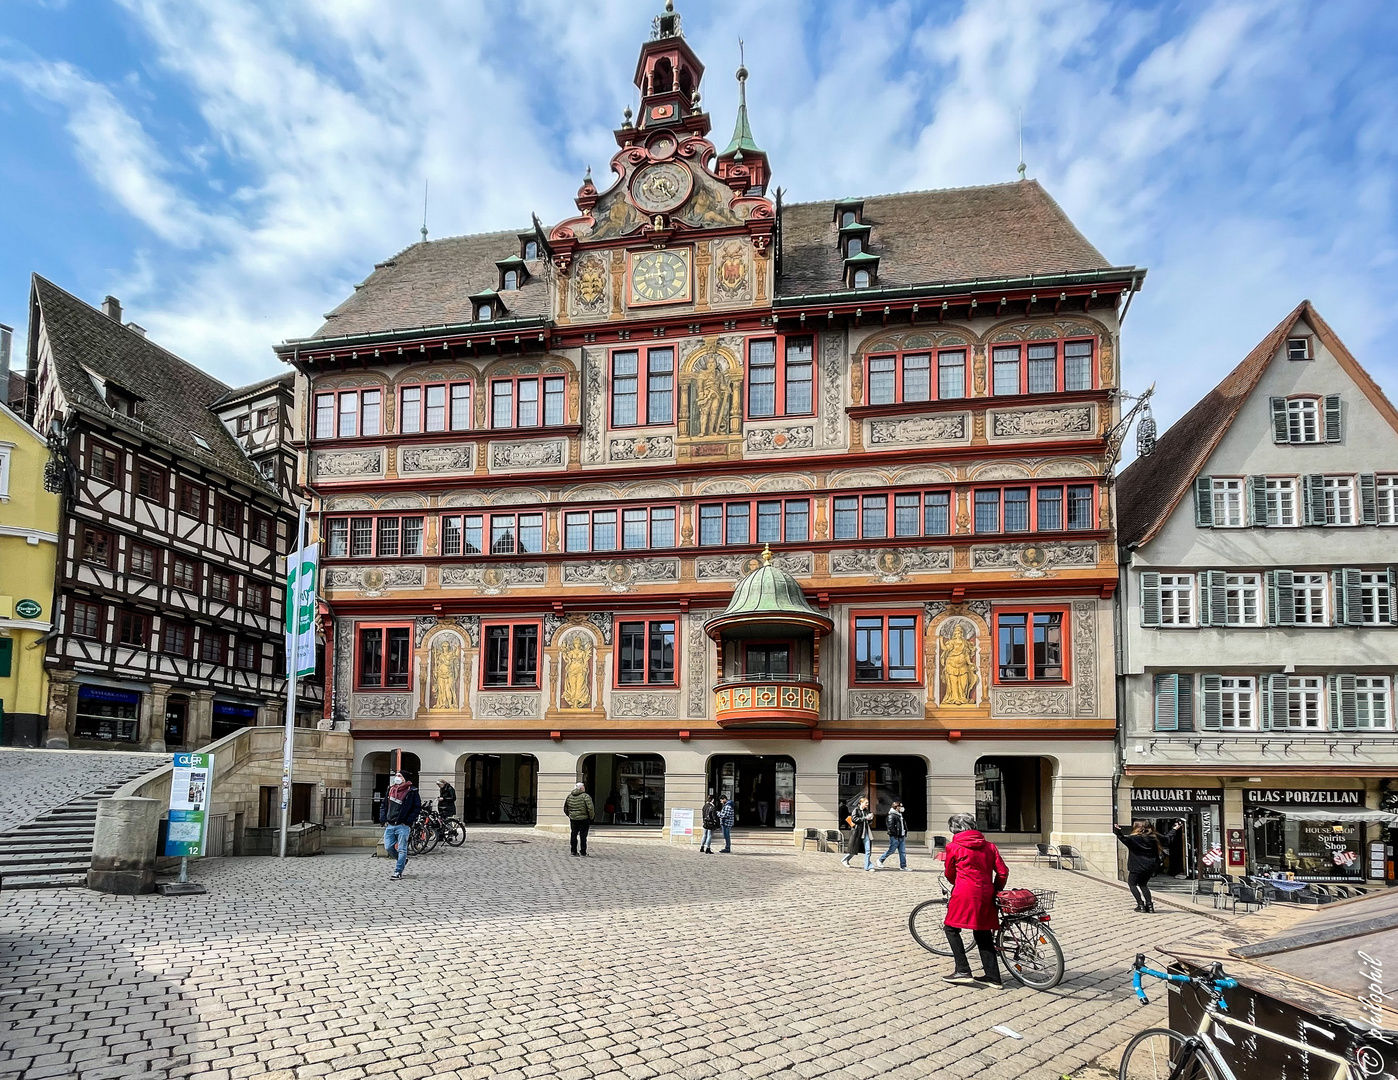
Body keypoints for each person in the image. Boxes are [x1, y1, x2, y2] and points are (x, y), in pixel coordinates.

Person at [942, 812, 1009, 988]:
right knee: (983, 931)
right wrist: (996, 889)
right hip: (986, 894)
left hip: (964, 893)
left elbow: (949, 872)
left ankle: (963, 969)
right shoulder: (990, 846)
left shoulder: (954, 847)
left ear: (954, 829)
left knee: (950, 928)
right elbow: (1003, 872)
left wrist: (956, 883)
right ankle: (993, 976)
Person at [1113, 819, 1183, 913]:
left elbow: (1123, 838)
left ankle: (1140, 904)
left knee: (1132, 884)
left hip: (1136, 865)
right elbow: (1167, 840)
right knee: (1143, 884)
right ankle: (1150, 906)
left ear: (1137, 827)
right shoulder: (1155, 837)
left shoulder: (1133, 838)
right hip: (1151, 865)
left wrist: (1117, 831)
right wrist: (1174, 829)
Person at [380, 772, 421, 881]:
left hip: (403, 825)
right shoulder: (390, 789)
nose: (397, 778)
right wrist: (383, 818)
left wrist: (408, 821)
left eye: (400, 776)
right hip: (390, 824)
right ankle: (402, 860)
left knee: (402, 849)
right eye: (396, 776)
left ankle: (398, 871)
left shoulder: (412, 791)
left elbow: (416, 807)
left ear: (405, 778)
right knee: (388, 847)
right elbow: (384, 805)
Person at [841, 796, 875, 871]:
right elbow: (854, 819)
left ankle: (868, 866)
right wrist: (864, 818)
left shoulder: (866, 811)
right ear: (861, 803)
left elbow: (868, 822)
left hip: (865, 832)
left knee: (868, 850)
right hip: (857, 832)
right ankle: (845, 859)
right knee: (853, 850)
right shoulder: (856, 810)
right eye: (866, 803)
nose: (867, 804)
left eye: (868, 803)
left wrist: (870, 819)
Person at [877, 801, 911, 871]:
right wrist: (895, 835)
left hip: (901, 836)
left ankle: (903, 866)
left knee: (902, 852)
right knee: (891, 850)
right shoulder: (891, 815)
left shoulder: (899, 815)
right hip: (895, 837)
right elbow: (890, 827)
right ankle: (880, 860)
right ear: (896, 807)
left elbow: (902, 825)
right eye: (900, 806)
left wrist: (904, 832)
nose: (902, 808)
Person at [565, 782, 595, 856]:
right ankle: (583, 852)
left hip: (573, 818)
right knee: (583, 835)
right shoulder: (586, 796)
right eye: (584, 787)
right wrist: (591, 817)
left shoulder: (569, 796)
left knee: (573, 834)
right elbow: (590, 808)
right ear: (581, 788)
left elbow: (566, 807)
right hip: (583, 818)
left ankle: (573, 851)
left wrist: (570, 815)